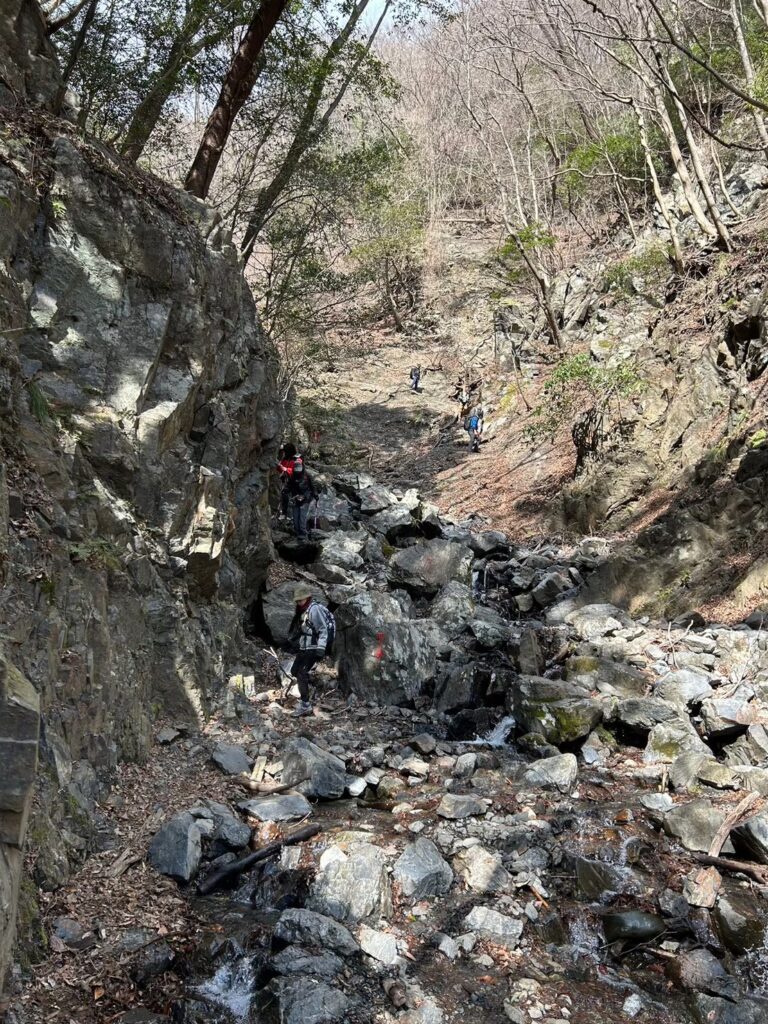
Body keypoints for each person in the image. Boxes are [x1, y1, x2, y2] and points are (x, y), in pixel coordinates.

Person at [288, 585, 336, 717]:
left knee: (302, 673)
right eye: (297, 601)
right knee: (294, 671)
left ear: (307, 598)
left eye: (300, 600)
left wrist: (321, 649)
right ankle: (309, 694)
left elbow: (322, 629)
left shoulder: (314, 610)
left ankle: (305, 705)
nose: (298, 602)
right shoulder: (304, 610)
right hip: (305, 647)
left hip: (314, 648)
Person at [286, 451, 317, 540]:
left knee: (302, 517)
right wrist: (286, 490)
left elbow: (313, 485)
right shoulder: (293, 476)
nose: (298, 472)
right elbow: (289, 485)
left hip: (306, 498)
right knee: (295, 518)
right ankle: (297, 532)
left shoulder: (307, 475)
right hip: (295, 498)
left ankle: (303, 534)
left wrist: (315, 494)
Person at [276, 442, 298, 518]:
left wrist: (284, 468)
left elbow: (293, 471)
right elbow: (279, 468)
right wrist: (280, 466)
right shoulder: (285, 459)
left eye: (285, 452)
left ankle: (287, 514)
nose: (284, 453)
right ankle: (283, 513)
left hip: (292, 482)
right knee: (283, 496)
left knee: (288, 497)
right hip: (284, 481)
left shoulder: (295, 460)